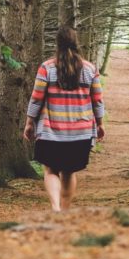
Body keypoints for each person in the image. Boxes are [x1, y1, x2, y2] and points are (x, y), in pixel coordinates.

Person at [23, 26, 105, 212]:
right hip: (80, 133)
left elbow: (36, 98)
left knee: (50, 170)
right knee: (69, 171)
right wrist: (100, 124)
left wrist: (29, 122)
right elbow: (97, 100)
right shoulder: (90, 69)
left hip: (51, 131)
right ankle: (65, 211)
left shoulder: (47, 68)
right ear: (76, 43)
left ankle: (55, 208)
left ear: (57, 44)